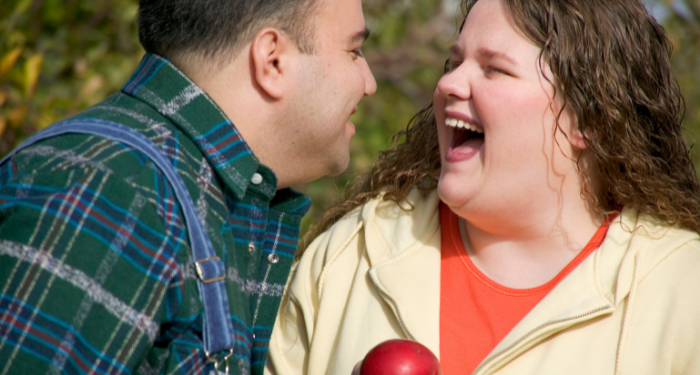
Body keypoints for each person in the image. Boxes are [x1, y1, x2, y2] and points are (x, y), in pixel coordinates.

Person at [266, 0, 700, 374]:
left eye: (494, 70)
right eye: (454, 63)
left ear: (589, 118)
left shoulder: (682, 289)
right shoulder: (349, 255)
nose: (448, 84)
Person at [0, 0, 376, 373]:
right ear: (272, 59)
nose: (370, 83)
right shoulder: (111, 193)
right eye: (354, 51)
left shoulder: (188, 194)